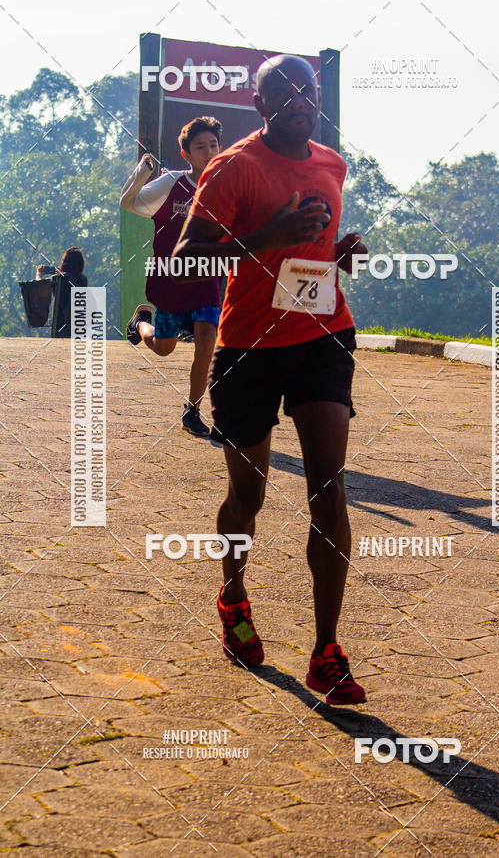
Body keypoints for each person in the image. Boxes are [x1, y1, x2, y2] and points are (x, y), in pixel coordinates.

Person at [173, 54, 369, 706]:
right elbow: (187, 253)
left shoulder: (330, 162)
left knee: (327, 490)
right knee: (247, 497)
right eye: (282, 93)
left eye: (306, 91)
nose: (298, 101)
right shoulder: (235, 168)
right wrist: (267, 235)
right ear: (259, 107)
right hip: (249, 345)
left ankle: (327, 652)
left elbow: (312, 246)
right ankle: (232, 596)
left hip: (322, 335)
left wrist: (335, 254)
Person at [121, 117, 223, 437]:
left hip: (206, 282)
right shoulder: (171, 183)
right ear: (186, 155)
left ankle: (192, 410)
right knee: (165, 348)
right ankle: (140, 323)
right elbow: (127, 202)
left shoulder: (225, 186)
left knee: (208, 340)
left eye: (213, 146)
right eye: (200, 148)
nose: (209, 152)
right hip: (170, 280)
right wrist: (141, 173)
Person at [36, 247, 88, 338]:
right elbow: (70, 279)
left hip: (60, 326)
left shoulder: (58, 279)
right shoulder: (83, 280)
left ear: (65, 262)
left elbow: (38, 287)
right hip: (78, 327)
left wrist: (39, 273)